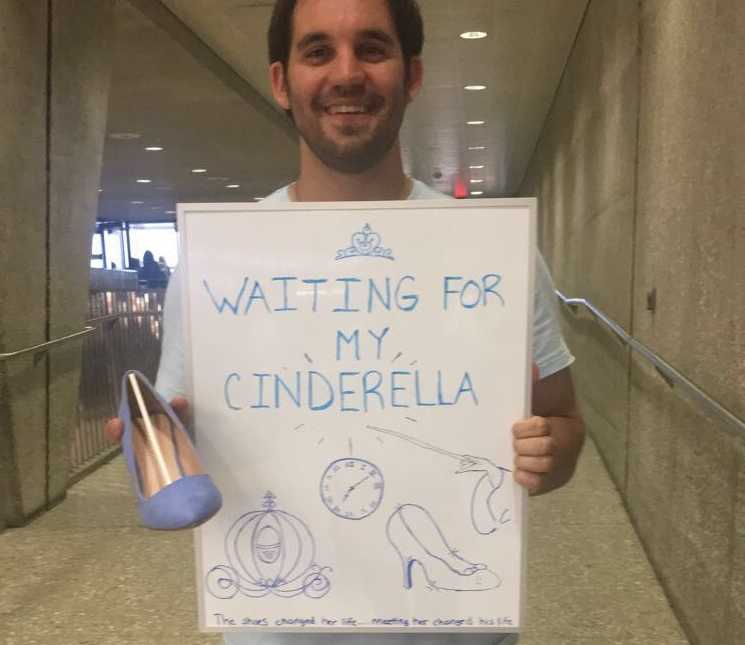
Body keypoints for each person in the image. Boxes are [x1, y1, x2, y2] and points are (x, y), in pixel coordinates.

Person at [107, 1, 585, 643]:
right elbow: (178, 432)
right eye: (317, 51)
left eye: (373, 48)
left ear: (412, 75)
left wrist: (549, 453)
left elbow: (565, 421)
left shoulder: (490, 252)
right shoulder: (218, 262)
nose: (347, 73)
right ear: (281, 81)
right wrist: (165, 447)